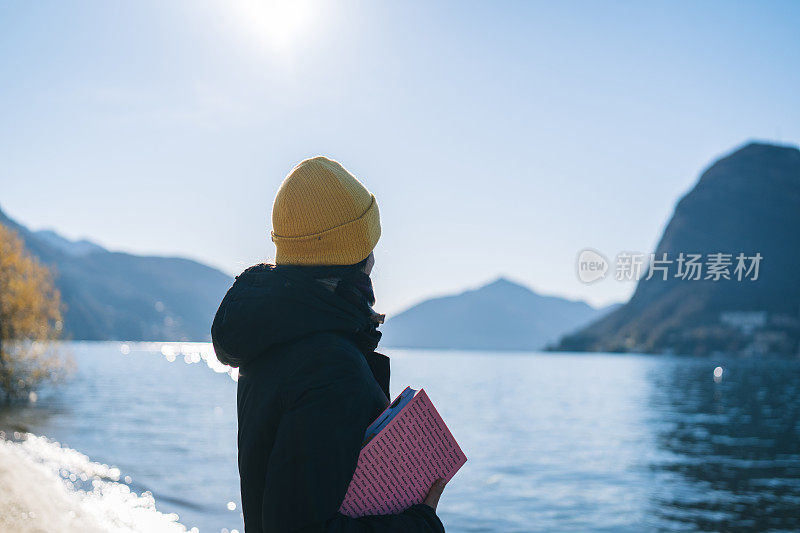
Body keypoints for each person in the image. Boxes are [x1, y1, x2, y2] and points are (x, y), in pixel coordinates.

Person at [211, 156, 447, 533]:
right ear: (356, 256)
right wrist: (420, 525)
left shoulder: (275, 339)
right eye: (370, 243)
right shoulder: (330, 367)